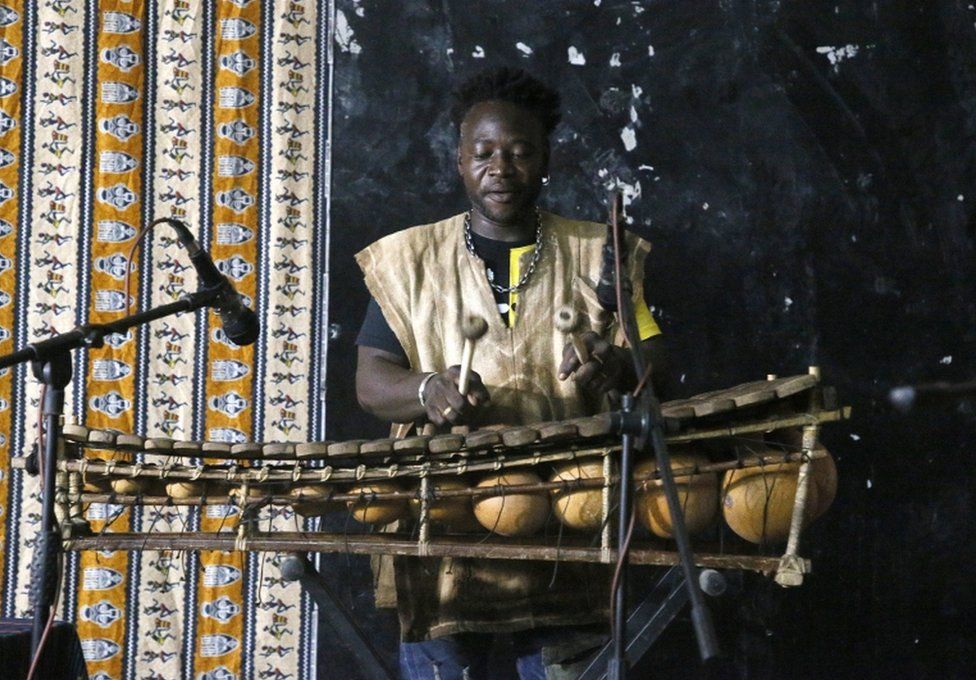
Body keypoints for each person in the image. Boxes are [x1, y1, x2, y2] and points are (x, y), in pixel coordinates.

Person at [355, 66, 668, 679]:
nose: (501, 167)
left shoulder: (599, 252)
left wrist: (616, 363)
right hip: (444, 522)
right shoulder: (408, 259)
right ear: (460, 162)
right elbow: (371, 381)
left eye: (520, 152)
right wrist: (427, 388)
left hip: (571, 519)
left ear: (545, 160)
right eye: (484, 153)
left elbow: (655, 361)